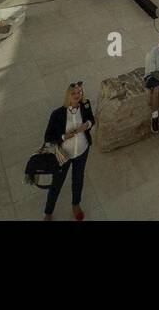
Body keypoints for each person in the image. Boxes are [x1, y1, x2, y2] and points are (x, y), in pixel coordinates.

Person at [42, 82, 94, 220]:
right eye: (74, 93)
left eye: (80, 93)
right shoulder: (57, 114)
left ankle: (76, 205)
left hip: (82, 151)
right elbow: (48, 137)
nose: (77, 95)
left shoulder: (85, 105)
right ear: (68, 95)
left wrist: (86, 125)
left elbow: (91, 120)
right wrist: (64, 136)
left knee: (78, 179)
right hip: (63, 154)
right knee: (57, 183)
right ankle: (48, 212)